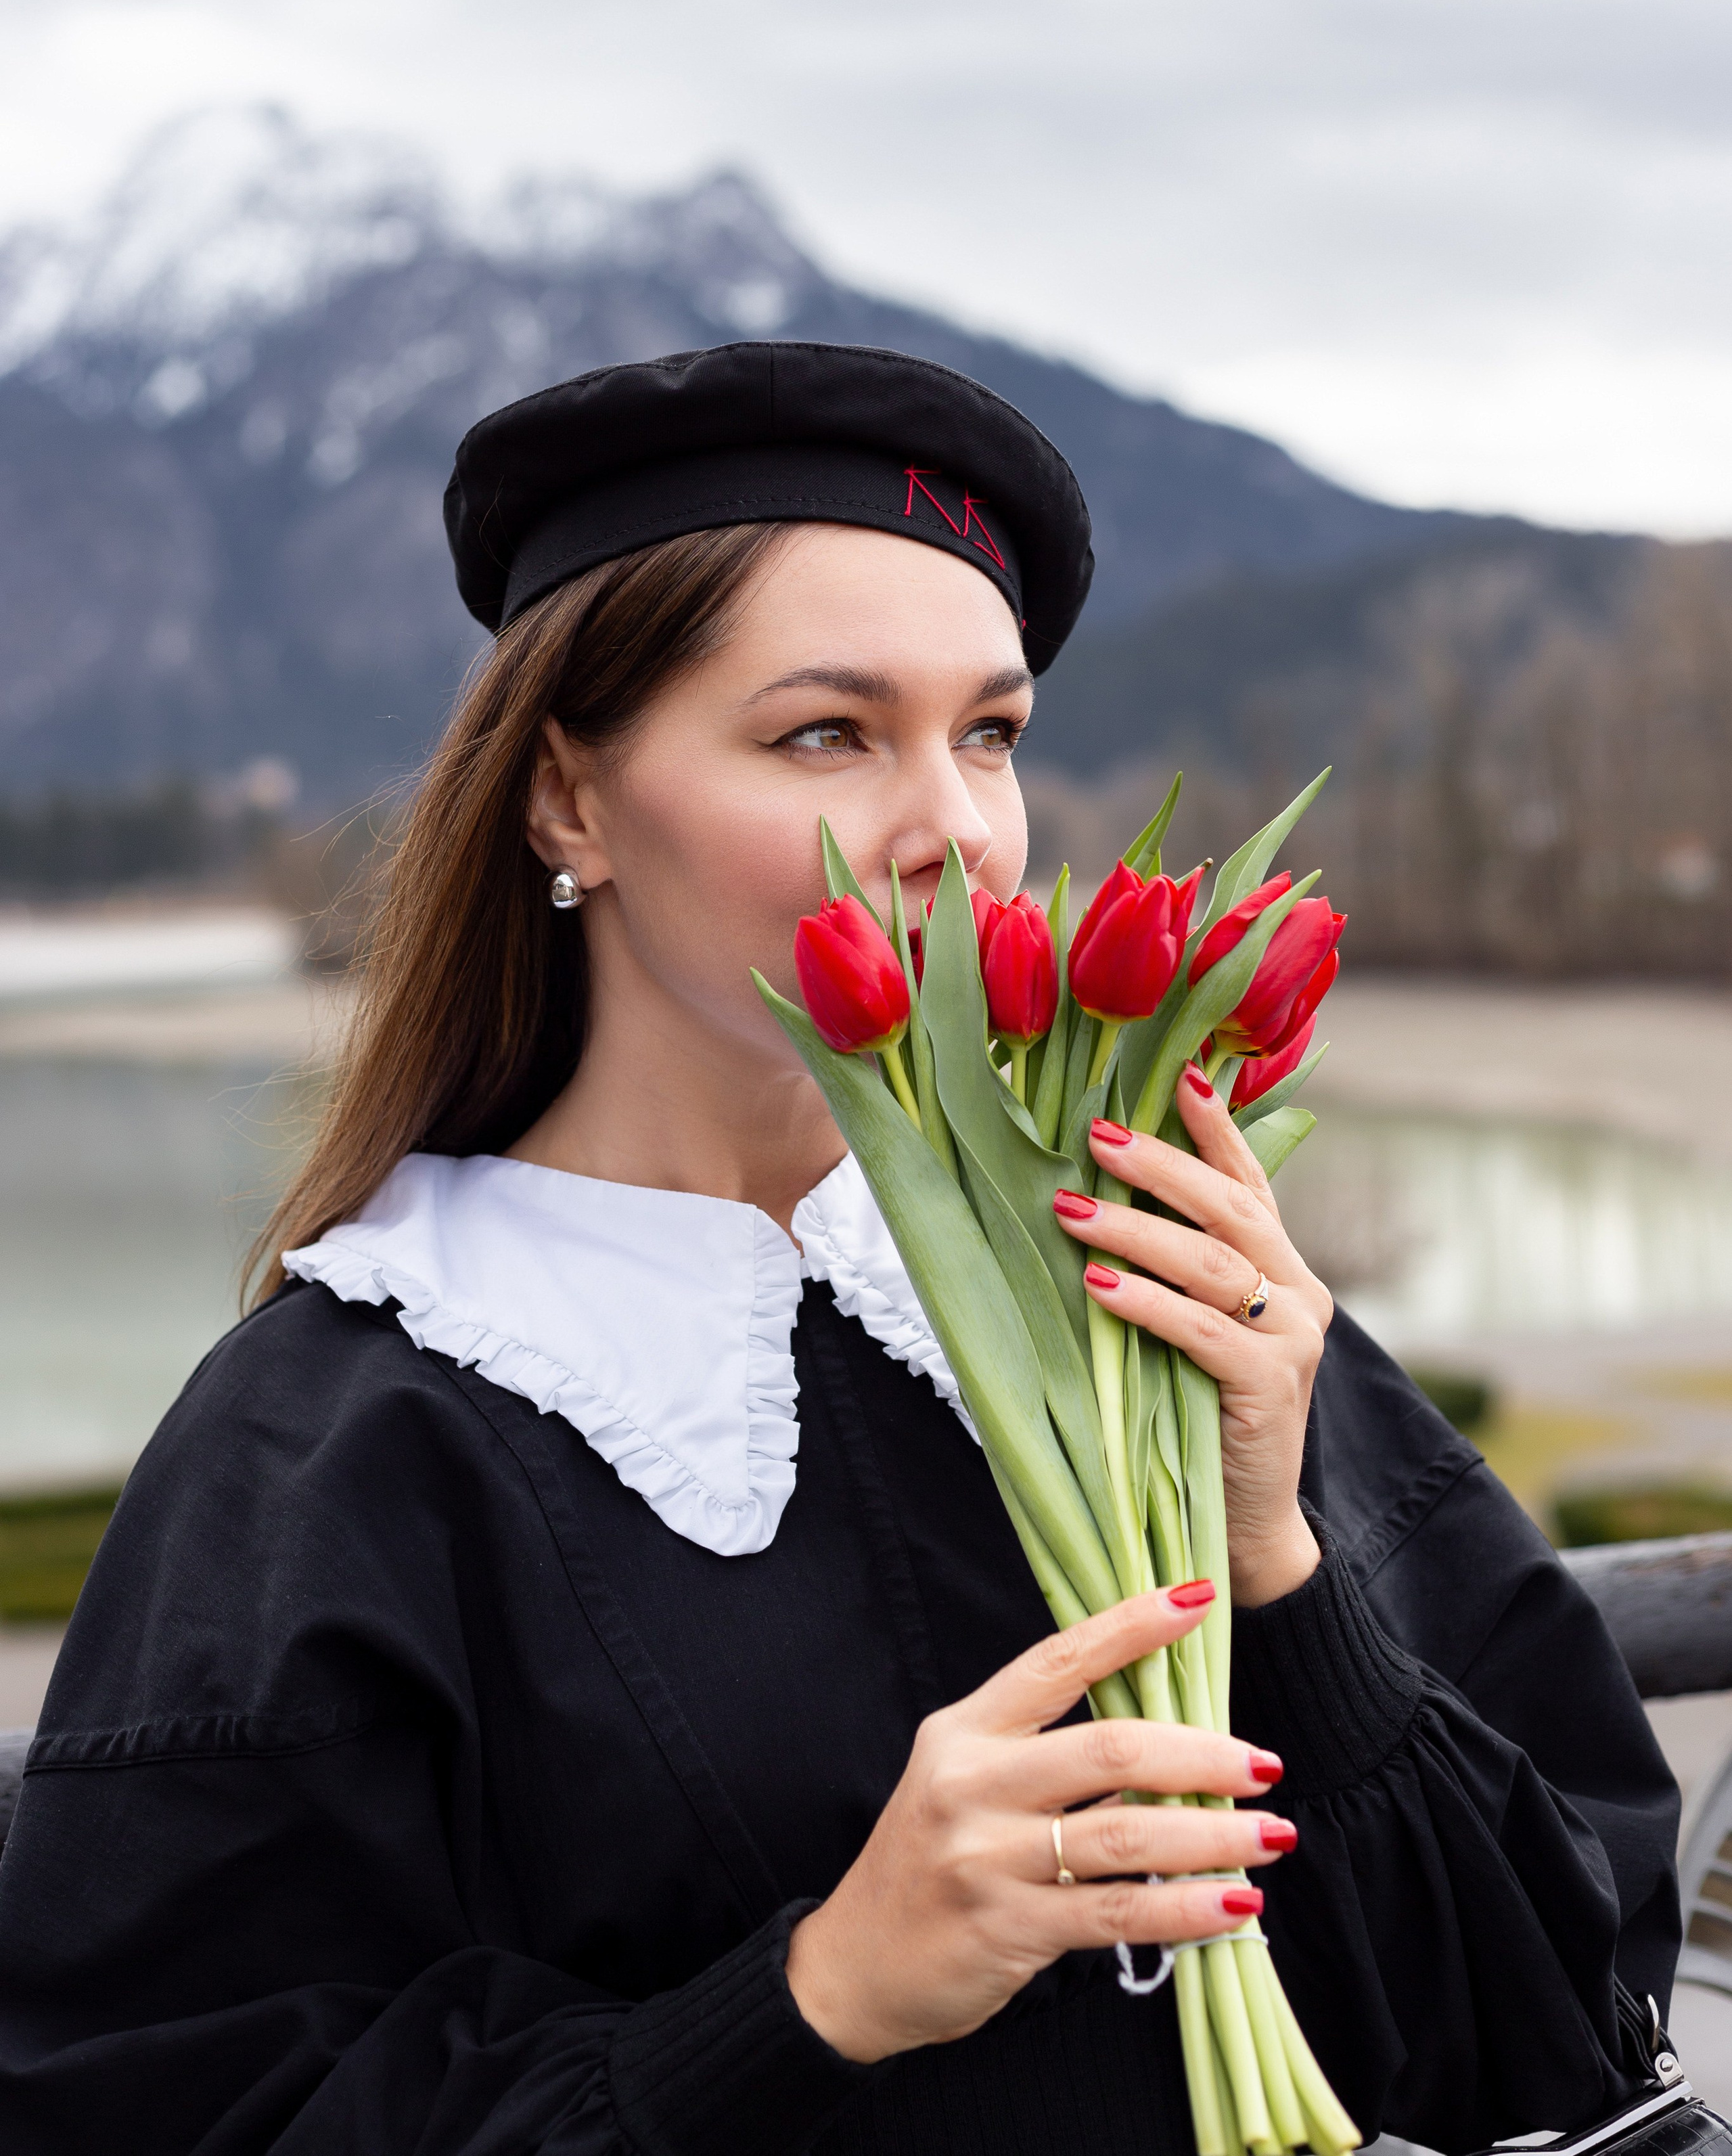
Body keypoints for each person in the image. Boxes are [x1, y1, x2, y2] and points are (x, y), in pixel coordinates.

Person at [0, 342, 1679, 2155]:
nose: (954, 831)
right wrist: (817, 1998)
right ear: (568, 803)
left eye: (992, 734)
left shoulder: (1168, 1283)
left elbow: (1571, 2032)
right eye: (826, 732)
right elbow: (170, 2114)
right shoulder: (331, 1449)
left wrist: (1283, 1561)